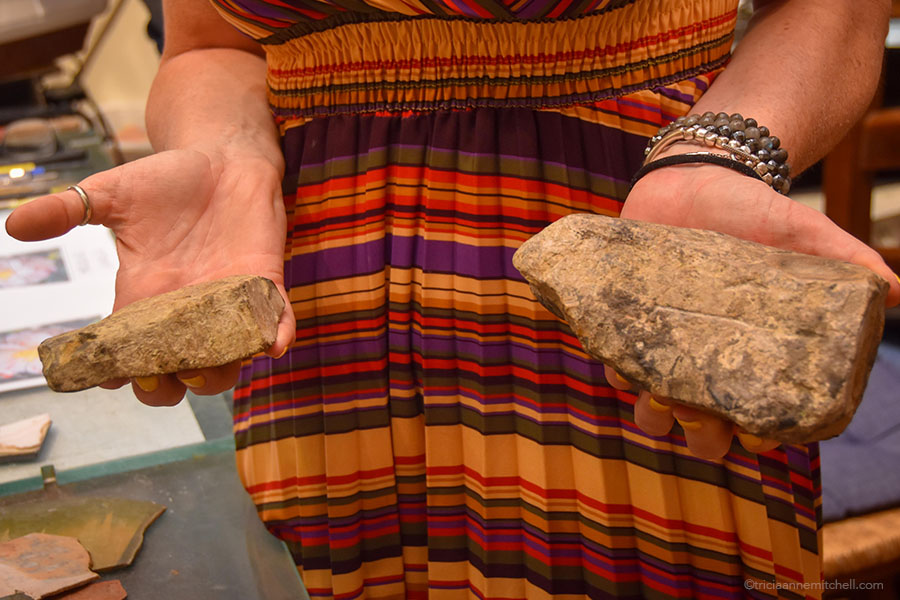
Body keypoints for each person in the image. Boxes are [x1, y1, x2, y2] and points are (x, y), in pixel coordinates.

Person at [6, 0, 899, 597]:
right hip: (313, 299)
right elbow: (213, 41)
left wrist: (722, 151)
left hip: (639, 249)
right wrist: (225, 152)